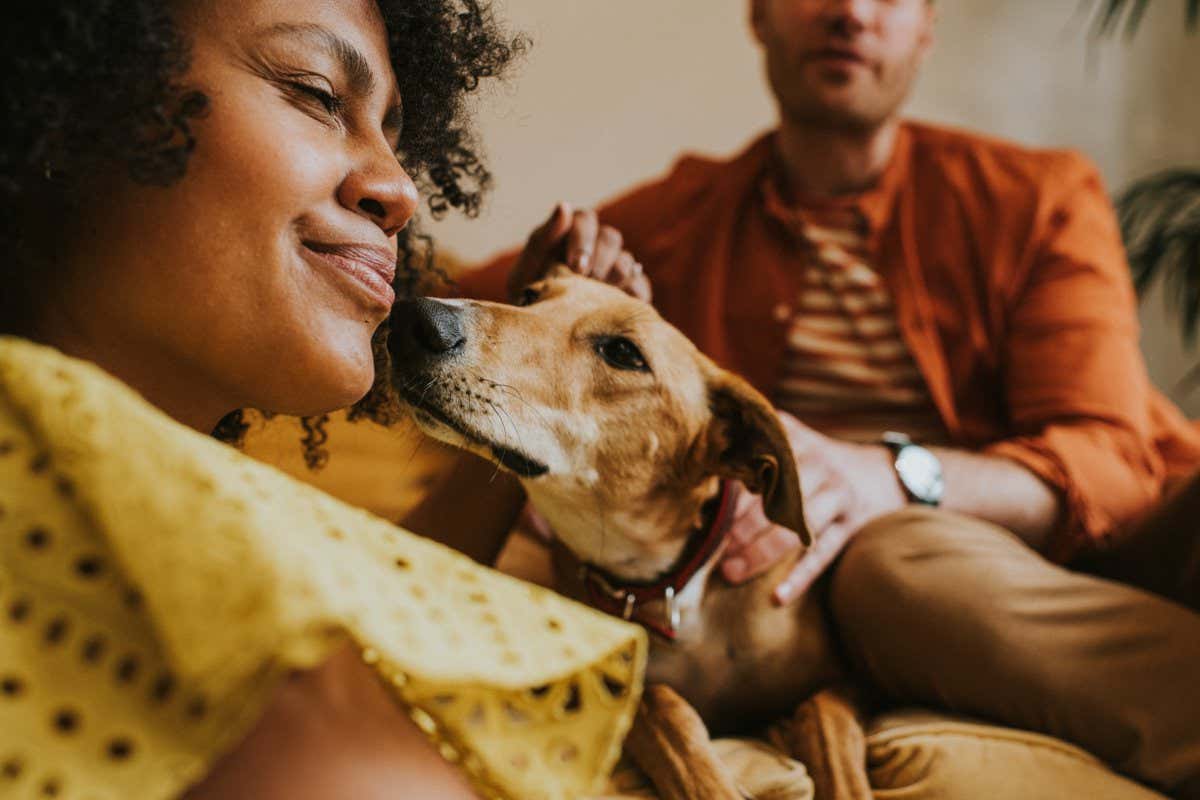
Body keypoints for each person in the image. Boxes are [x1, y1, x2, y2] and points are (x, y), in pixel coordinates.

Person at [458, 1, 1200, 797]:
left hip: (1042, 557)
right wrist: (534, 290)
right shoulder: (678, 222)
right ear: (761, 17)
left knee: (888, 562)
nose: (849, 12)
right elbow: (428, 309)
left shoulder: (1036, 198)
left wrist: (889, 478)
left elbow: (1117, 465)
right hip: (794, 596)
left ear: (926, 26)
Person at [0, 2, 646, 799]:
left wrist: (511, 392)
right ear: (81, 85)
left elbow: (397, 615)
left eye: (395, 135)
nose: (400, 190)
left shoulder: (157, 529)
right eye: (314, 93)